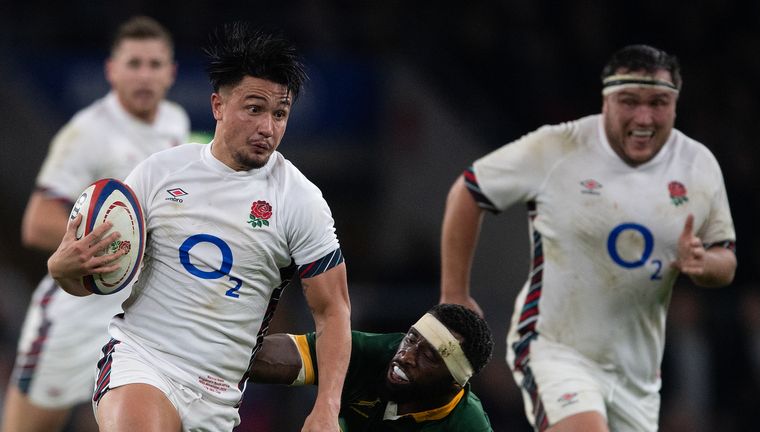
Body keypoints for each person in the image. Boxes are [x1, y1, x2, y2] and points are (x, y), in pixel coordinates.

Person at [47, 22, 352, 432]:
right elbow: (97, 277)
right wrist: (64, 272)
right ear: (218, 106)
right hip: (143, 360)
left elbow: (333, 311)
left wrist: (327, 406)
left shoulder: (300, 201)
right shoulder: (159, 173)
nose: (268, 127)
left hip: (218, 396)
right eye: (254, 108)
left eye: (280, 114)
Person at [440, 44, 737, 432]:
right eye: (630, 101)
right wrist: (454, 294)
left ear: (675, 104)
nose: (644, 116)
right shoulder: (560, 147)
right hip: (554, 346)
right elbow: (469, 191)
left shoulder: (698, 164)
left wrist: (705, 264)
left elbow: (726, 258)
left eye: (659, 102)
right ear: (607, 101)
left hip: (638, 372)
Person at [2, 16, 189, 432]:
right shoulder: (87, 133)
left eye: (155, 64)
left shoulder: (175, 123)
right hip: (74, 312)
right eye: (134, 63)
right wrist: (119, 241)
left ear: (171, 72)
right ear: (112, 70)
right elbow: (36, 223)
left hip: (134, 313)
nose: (145, 75)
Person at [251, 303, 494, 431]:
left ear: (453, 384)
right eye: (410, 338)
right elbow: (281, 356)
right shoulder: (377, 352)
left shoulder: (468, 424)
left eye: (428, 356)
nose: (406, 355)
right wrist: (221, 353)